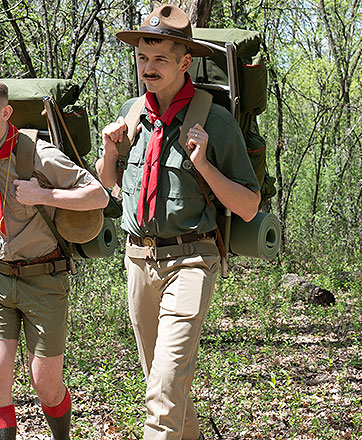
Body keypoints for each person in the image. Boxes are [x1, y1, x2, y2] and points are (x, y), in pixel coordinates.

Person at [96, 5, 261, 440]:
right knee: (164, 385)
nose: (148, 68)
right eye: (142, 58)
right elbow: (109, 184)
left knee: (163, 390)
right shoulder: (133, 113)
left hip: (192, 260)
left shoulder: (216, 121)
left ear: (185, 61)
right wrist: (110, 151)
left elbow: (248, 205)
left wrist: (203, 163)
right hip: (138, 260)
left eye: (160, 59)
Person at [0, 65, 109, 440]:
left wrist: (44, 195)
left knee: (45, 385)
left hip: (44, 278)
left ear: (6, 113)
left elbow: (98, 195)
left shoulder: (39, 154)